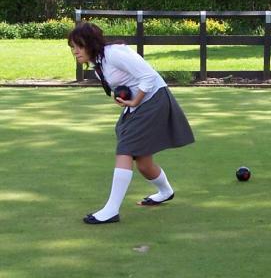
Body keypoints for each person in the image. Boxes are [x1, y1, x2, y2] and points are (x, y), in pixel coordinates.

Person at [68, 22, 195, 224]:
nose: (74, 52)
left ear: (90, 43)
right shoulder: (99, 62)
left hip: (154, 100)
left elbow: (149, 76)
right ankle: (165, 191)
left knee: (125, 149)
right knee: (143, 163)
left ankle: (111, 210)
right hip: (139, 104)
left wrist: (135, 100)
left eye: (78, 46)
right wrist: (121, 95)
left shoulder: (113, 54)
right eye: (72, 47)